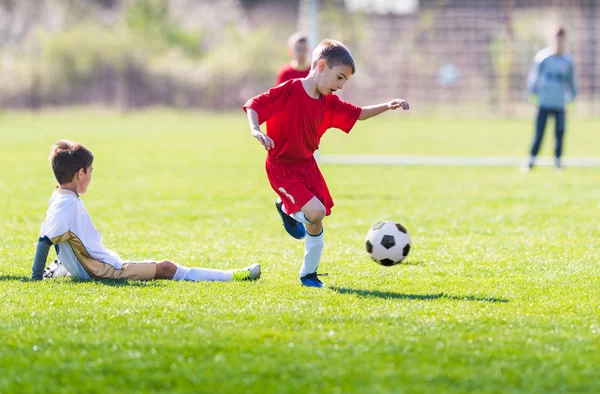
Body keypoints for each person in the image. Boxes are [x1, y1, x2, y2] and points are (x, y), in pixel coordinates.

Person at [243, 39, 409, 288]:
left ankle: (308, 274)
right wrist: (256, 131)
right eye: (339, 77)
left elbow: (358, 113)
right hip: (282, 166)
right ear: (321, 66)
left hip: (307, 166)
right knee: (315, 212)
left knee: (316, 220)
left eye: (345, 81)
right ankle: (287, 208)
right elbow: (255, 105)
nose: (341, 86)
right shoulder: (290, 89)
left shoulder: (327, 101)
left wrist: (387, 105)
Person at [31, 140, 261, 282]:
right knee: (167, 268)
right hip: (106, 270)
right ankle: (234, 275)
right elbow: (44, 240)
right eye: (91, 170)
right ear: (80, 173)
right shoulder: (66, 205)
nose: (92, 175)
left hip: (101, 263)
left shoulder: (61, 195)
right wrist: (35, 278)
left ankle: (61, 267)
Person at [524, 26, 576, 171]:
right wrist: (533, 95)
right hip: (544, 102)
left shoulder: (568, 61)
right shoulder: (543, 58)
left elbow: (571, 83)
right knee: (539, 133)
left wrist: (571, 100)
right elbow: (533, 77)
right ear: (553, 40)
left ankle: (558, 162)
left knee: (559, 133)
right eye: (557, 39)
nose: (559, 42)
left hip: (559, 104)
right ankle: (531, 161)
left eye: (561, 39)